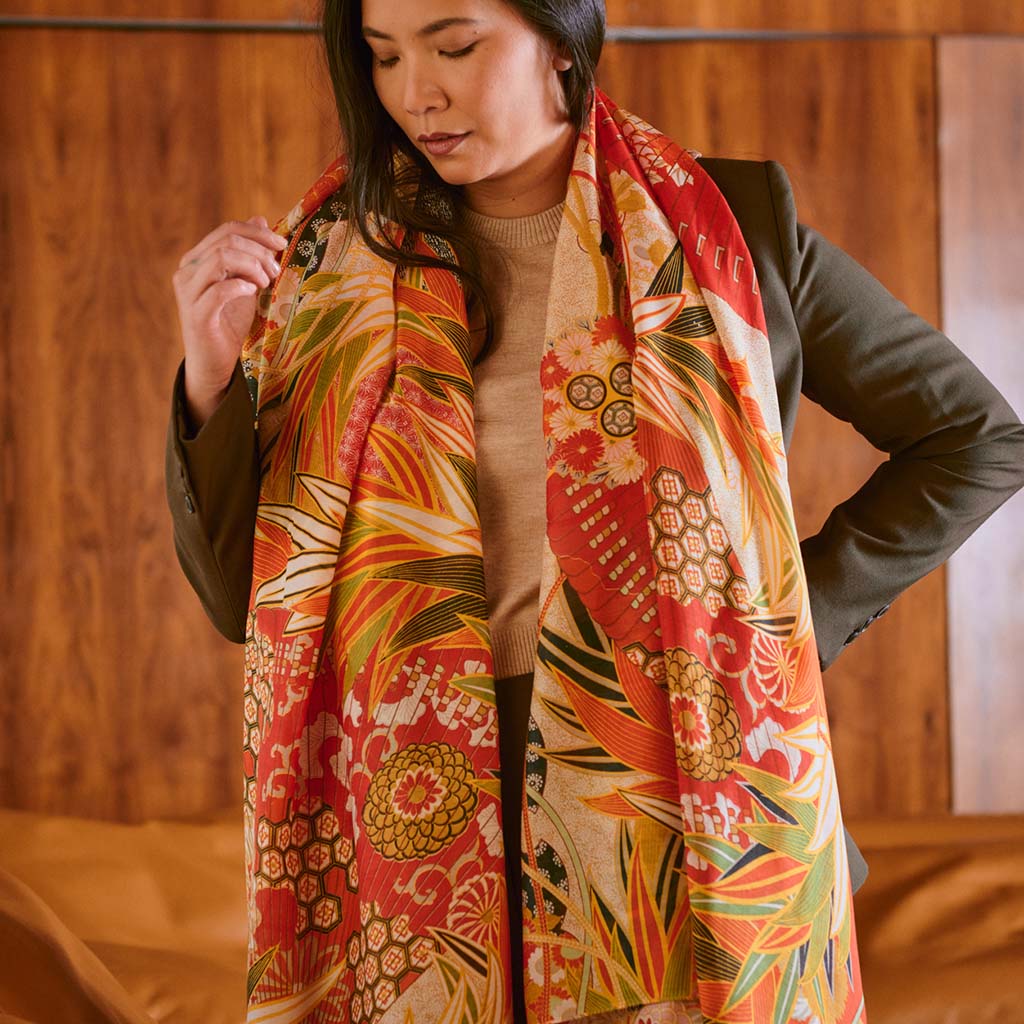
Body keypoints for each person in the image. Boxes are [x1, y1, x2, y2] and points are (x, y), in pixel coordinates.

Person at [165, 2, 1024, 1022]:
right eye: (383, 56)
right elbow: (242, 599)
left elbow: (975, 437)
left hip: (675, 784)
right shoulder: (334, 273)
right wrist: (210, 383)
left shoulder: (727, 226)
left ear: (560, 36)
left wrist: (775, 629)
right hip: (411, 822)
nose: (415, 92)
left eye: (454, 45)